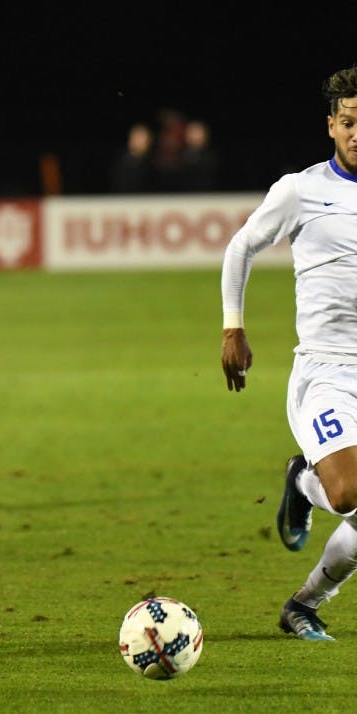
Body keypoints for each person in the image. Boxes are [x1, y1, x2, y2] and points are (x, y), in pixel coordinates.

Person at [221, 64, 357, 642]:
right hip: (326, 373)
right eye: (349, 122)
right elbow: (242, 245)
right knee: (348, 492)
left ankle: (303, 605)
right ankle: (303, 479)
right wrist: (234, 327)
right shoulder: (300, 190)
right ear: (331, 125)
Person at [109, 122, 154, 193]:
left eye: (143, 139)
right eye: (138, 137)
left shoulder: (153, 163)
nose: (140, 142)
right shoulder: (120, 161)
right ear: (130, 139)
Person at [181, 119, 220, 191]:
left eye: (198, 132)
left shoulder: (212, 157)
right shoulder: (179, 156)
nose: (194, 136)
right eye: (192, 132)